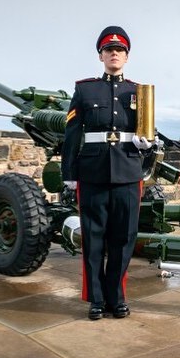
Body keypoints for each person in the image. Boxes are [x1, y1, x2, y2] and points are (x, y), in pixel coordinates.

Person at [61, 25, 151, 320]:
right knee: (94, 239)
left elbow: (148, 129)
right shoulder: (85, 89)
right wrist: (69, 174)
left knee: (123, 239)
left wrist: (146, 143)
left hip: (128, 171)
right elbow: (73, 133)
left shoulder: (139, 92)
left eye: (120, 50)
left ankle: (118, 297)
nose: (114, 53)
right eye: (109, 50)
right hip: (93, 173)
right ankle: (96, 299)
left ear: (126, 57)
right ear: (101, 56)